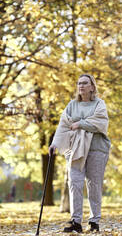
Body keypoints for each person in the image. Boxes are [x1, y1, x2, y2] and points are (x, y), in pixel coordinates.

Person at [49, 74, 111, 233]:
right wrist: (55, 144)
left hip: (96, 149)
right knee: (74, 182)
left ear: (92, 87)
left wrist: (79, 124)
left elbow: (100, 123)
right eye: (79, 83)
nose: (81, 86)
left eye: (85, 83)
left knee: (94, 185)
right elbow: (63, 125)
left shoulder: (99, 104)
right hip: (75, 148)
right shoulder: (72, 105)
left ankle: (94, 221)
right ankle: (76, 221)